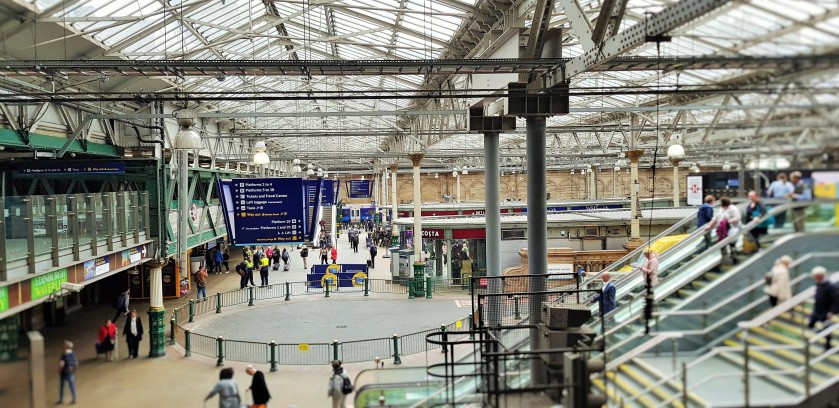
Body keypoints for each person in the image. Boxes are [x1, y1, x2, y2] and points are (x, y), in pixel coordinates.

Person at [808, 266, 839, 350]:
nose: (814, 278)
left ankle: (827, 345)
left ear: (820, 276)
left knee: (826, 328)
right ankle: (819, 333)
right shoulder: (819, 284)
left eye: (816, 276)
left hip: (825, 311)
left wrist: (832, 312)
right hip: (817, 309)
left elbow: (836, 300)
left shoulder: (830, 286)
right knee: (811, 323)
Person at [58, 340, 78, 405]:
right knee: (72, 385)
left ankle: (61, 399)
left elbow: (61, 364)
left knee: (62, 386)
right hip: (71, 372)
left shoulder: (64, 355)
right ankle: (74, 398)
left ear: (66, 347)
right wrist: (74, 370)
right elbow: (76, 363)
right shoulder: (73, 354)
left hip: (64, 372)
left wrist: (60, 370)